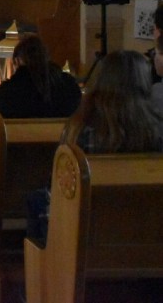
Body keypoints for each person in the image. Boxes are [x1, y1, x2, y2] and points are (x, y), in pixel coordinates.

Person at [27, 50, 163, 244]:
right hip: (147, 242)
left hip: (84, 241)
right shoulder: (157, 130)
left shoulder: (82, 129)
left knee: (37, 200)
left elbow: (58, 192)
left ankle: (40, 268)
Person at [0, 34, 81, 118]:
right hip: (61, 133)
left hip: (22, 133)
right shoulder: (68, 85)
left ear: (18, 61)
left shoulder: (8, 91)